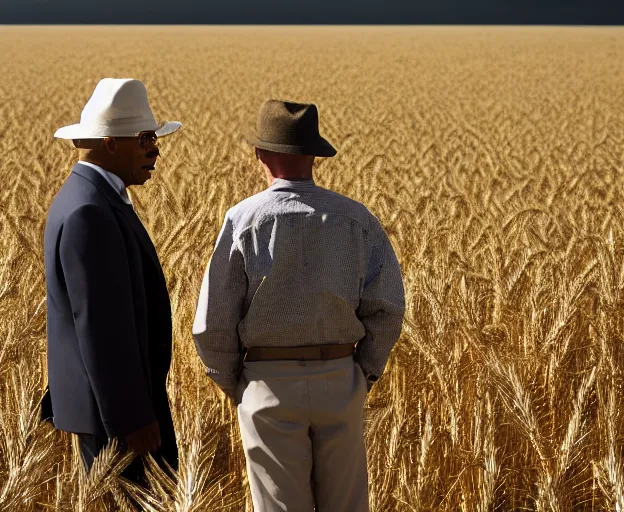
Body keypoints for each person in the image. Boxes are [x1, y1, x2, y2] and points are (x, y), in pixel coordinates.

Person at [192, 99, 405, 511]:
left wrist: (235, 383)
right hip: (340, 377)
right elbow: (387, 307)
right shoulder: (355, 217)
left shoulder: (243, 220)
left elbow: (213, 322)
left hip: (266, 383)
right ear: (314, 154)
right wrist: (363, 374)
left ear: (259, 154)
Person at [41, 78, 182, 484]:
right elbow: (101, 327)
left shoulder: (90, 198)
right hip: (117, 421)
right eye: (144, 138)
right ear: (110, 144)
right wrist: (132, 417)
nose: (155, 148)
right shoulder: (90, 212)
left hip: (114, 412)